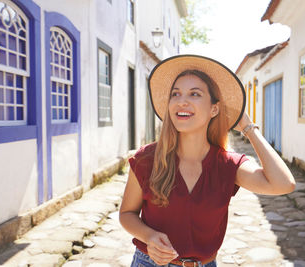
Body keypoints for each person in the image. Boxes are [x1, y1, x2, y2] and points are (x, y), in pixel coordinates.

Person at [119, 55, 296, 267]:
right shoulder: (146, 159)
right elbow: (127, 214)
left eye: (195, 94)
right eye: (176, 94)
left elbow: (283, 184)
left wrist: (249, 129)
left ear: (214, 109)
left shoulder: (228, 165)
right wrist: (149, 236)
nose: (182, 100)